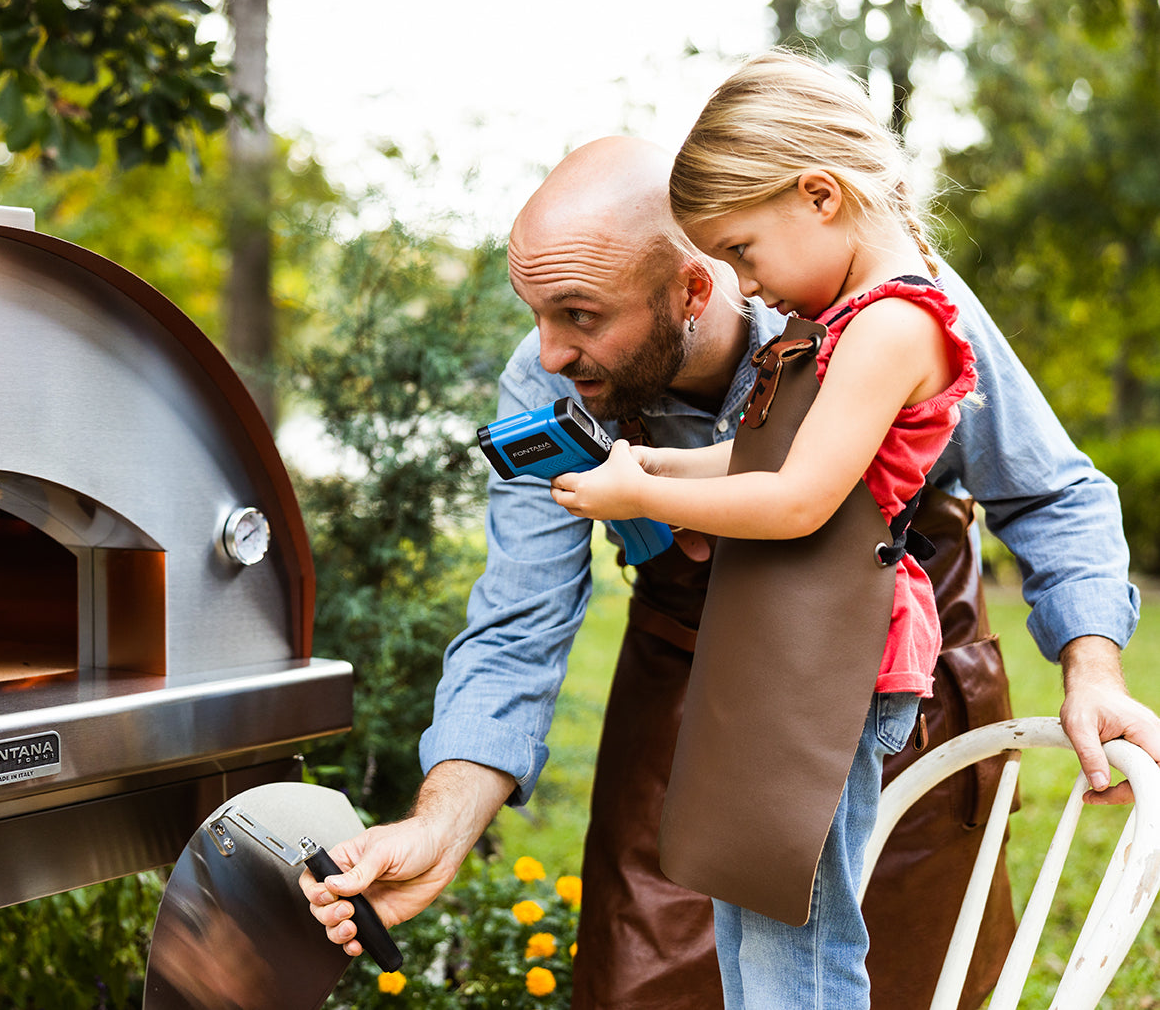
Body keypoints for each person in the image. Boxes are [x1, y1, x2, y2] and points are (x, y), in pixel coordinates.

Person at [302, 85, 1160, 1010]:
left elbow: (1050, 489)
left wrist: (1093, 668)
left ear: (696, 286)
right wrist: (440, 826)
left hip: (891, 700)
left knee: (886, 974)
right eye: (537, 313)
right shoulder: (549, 380)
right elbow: (518, 627)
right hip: (694, 707)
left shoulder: (890, 317)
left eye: (581, 316)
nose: (546, 354)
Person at [544, 49, 973, 1007]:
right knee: (751, 901)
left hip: (838, 650)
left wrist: (645, 500)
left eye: (741, 250)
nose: (745, 282)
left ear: (819, 195)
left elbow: (795, 501)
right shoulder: (842, 319)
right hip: (791, 638)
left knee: (801, 926)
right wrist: (648, 463)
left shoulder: (894, 326)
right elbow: (763, 463)